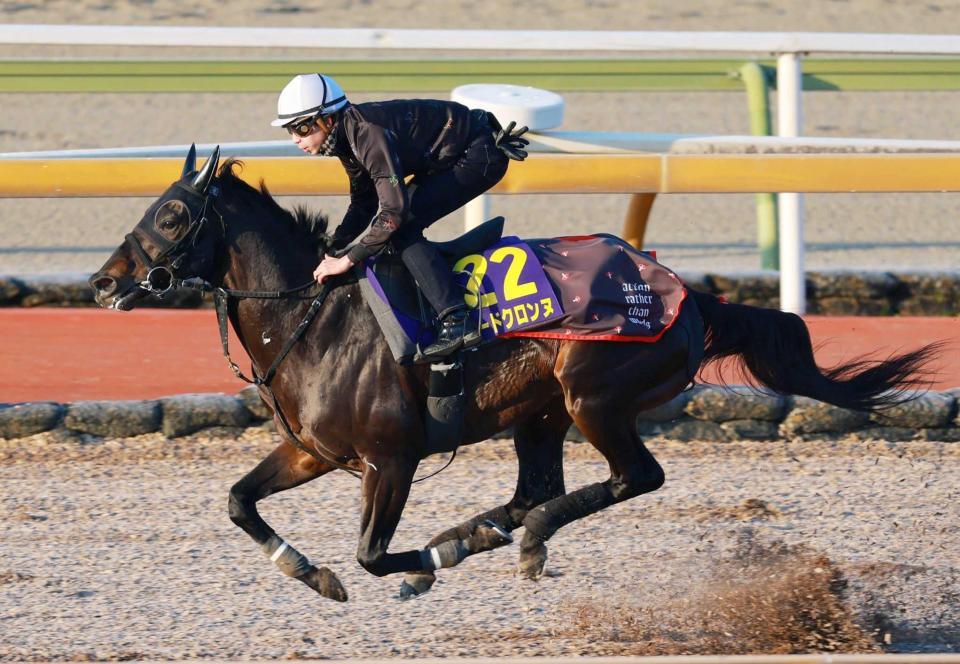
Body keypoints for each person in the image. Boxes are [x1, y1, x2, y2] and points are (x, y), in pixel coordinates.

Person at [272, 73, 529, 362]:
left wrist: (348, 259)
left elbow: (393, 213)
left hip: (477, 154)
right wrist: (333, 246)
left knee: (400, 228)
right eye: (290, 130)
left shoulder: (366, 134)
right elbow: (364, 202)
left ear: (327, 120)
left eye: (301, 127)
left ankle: (457, 320)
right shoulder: (346, 137)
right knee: (389, 230)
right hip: (453, 152)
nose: (295, 138)